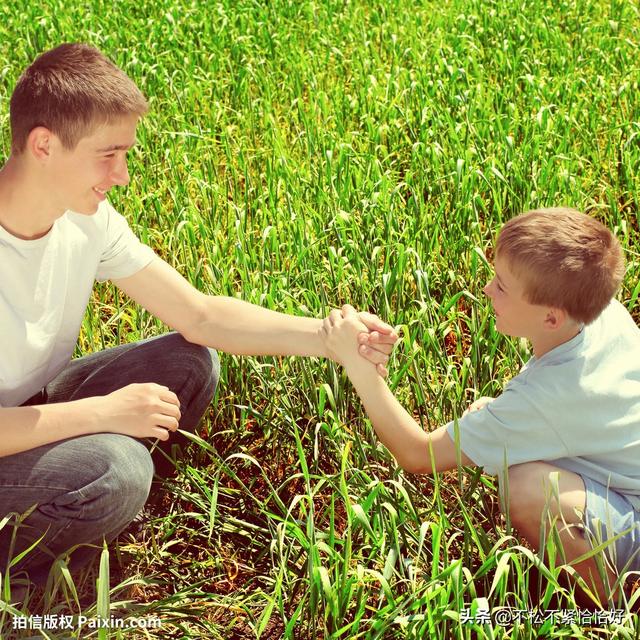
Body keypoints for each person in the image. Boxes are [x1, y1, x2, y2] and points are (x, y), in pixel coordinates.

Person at [0, 43, 398, 587]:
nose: (122, 175)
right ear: (44, 144)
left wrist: (328, 338)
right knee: (120, 469)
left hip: (29, 408)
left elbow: (202, 316)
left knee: (190, 361)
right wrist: (102, 413)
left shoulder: (86, 221)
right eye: (108, 155)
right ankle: (34, 554)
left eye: (126, 155)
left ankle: (90, 493)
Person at [323, 207, 640, 606]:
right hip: (623, 474)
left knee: (526, 488)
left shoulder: (546, 399)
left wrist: (358, 366)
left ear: (551, 318)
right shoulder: (601, 315)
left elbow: (417, 453)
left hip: (633, 514)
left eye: (503, 287)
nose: (487, 289)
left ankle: (612, 610)